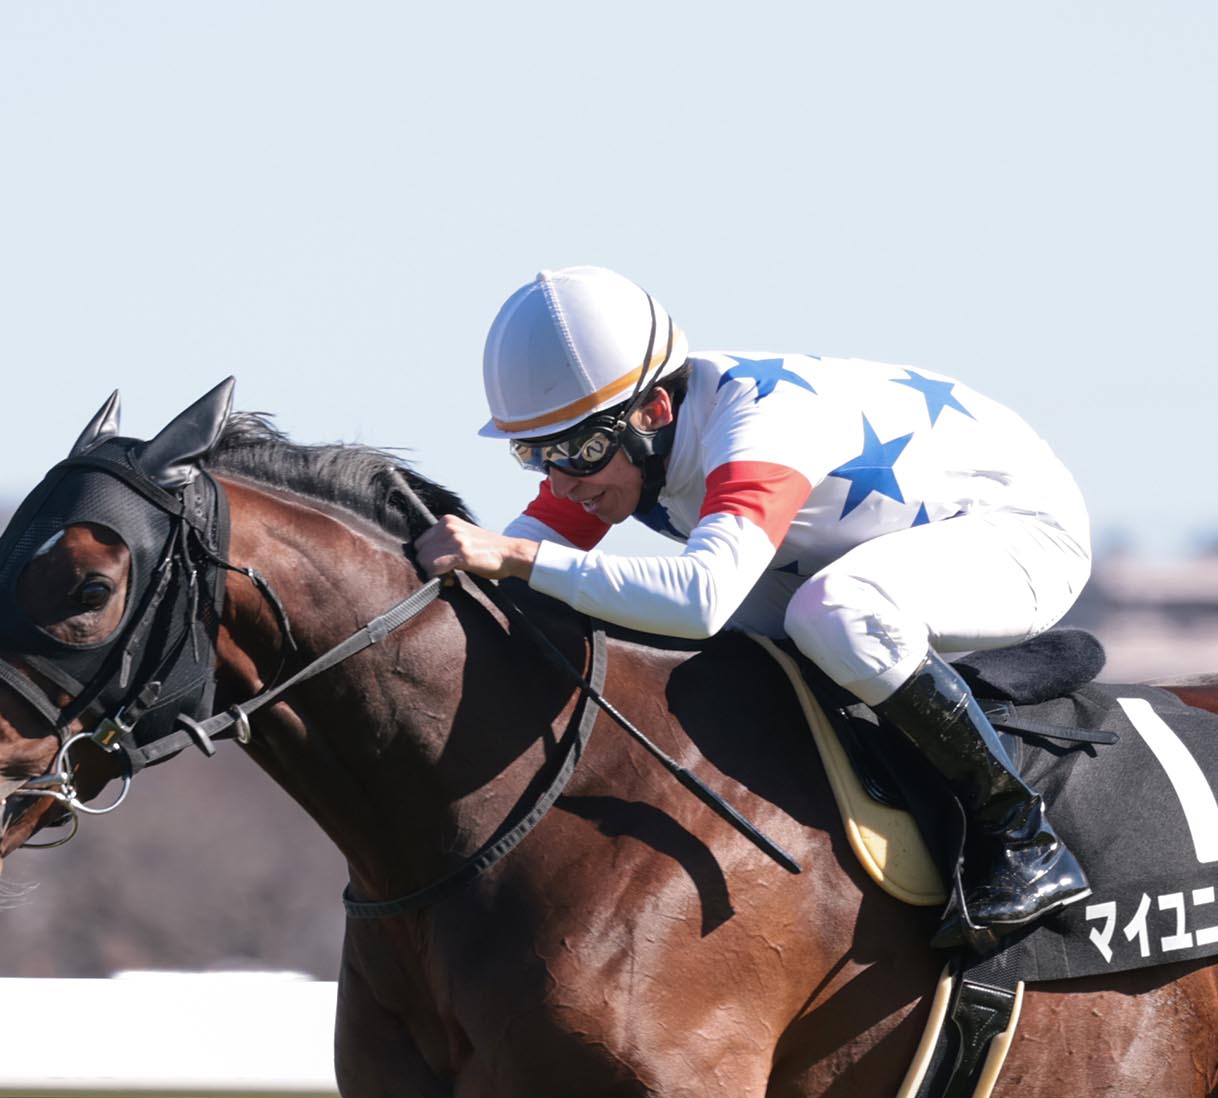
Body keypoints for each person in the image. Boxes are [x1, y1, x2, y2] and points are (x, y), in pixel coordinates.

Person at [413, 266, 1095, 934]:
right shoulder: (616, 449)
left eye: (579, 450)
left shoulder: (760, 426)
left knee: (834, 612)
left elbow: (696, 598)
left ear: (655, 411)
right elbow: (503, 574)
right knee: (681, 637)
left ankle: (1022, 837)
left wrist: (518, 558)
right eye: (536, 456)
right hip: (855, 553)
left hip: (1022, 532)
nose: (561, 483)